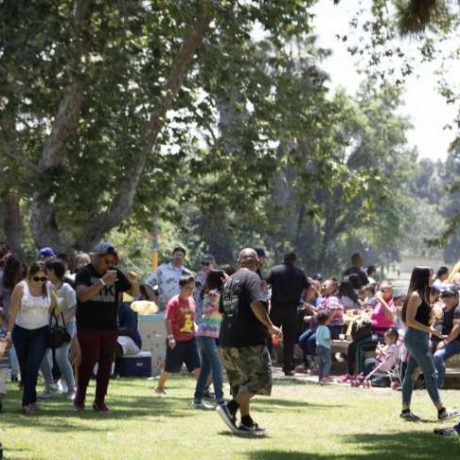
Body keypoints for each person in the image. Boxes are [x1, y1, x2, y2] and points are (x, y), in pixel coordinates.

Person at [217, 248, 282, 436]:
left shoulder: (229, 281)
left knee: (241, 383)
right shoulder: (253, 278)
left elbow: (223, 310)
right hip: (249, 340)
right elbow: (256, 304)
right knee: (261, 379)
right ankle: (230, 408)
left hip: (227, 340)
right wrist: (270, 326)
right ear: (258, 262)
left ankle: (246, 421)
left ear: (239, 261)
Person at [74, 242, 139, 412]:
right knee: (89, 359)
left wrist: (133, 282)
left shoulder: (115, 273)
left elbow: (134, 293)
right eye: (106, 261)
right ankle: (80, 397)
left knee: (106, 363)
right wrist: (102, 282)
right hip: (88, 325)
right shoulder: (84, 272)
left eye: (112, 262)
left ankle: (99, 401)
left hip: (109, 326)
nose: (109, 265)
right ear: (96, 257)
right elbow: (83, 296)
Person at [400, 266, 457, 422]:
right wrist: (431, 331)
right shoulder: (415, 296)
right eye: (431, 275)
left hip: (421, 338)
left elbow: (421, 321)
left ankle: (405, 410)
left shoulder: (423, 296)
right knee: (431, 373)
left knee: (411, 375)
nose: (433, 278)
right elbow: (410, 321)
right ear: (423, 277)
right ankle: (442, 411)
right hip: (416, 339)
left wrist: (433, 324)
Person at [5, 262, 52, 414]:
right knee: (25, 368)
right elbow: (12, 311)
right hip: (21, 331)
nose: (40, 282)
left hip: (41, 331)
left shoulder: (49, 288)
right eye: (36, 279)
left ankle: (26, 403)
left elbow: (55, 309)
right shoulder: (21, 287)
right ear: (30, 276)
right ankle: (32, 399)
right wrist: (9, 332)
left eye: (43, 279)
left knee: (33, 366)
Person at [266, 252, 310, 376]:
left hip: (276, 308)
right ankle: (288, 367)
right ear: (295, 261)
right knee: (289, 339)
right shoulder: (300, 273)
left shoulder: (275, 270)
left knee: (269, 336)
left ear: (283, 259)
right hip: (292, 310)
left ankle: (266, 364)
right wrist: (305, 301)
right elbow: (310, 287)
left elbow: (265, 284)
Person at [155, 275, 200, 394]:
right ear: (180, 287)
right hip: (176, 339)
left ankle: (202, 390)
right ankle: (159, 387)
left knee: (196, 366)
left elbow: (191, 318)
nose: (190, 291)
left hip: (190, 339)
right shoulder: (174, 302)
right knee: (170, 367)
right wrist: (171, 338)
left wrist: (196, 329)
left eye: (192, 288)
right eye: (187, 288)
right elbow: (168, 320)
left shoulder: (191, 300)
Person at [39, 258, 77, 400]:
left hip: (66, 326)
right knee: (41, 355)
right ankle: (50, 386)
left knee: (60, 356)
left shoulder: (67, 289)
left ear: (54, 271)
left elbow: (74, 308)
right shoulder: (46, 286)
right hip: (49, 326)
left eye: (47, 270)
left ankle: (72, 389)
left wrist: (62, 321)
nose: (45, 273)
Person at [193, 269, 225, 408]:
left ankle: (198, 399)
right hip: (206, 334)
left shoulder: (215, 294)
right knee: (217, 365)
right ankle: (220, 399)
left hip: (207, 333)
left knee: (206, 367)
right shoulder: (213, 294)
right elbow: (213, 309)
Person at [432, 286, 460, 389]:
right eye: (443, 295)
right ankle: (421, 381)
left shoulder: (458, 310)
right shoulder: (442, 310)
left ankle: (438, 384)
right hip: (439, 340)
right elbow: (433, 323)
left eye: (448, 295)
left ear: (456, 296)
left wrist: (445, 342)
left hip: (455, 342)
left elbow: (457, 328)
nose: (445, 298)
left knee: (438, 357)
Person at [315, 312, 332, 384]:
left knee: (321, 363)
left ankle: (320, 378)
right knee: (328, 362)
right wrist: (331, 342)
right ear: (326, 320)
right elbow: (326, 338)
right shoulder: (325, 329)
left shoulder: (318, 328)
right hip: (324, 347)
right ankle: (325, 377)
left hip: (318, 347)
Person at [0, 308, 10, 412]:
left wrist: (7, 342)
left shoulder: (4, 333)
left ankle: (0, 402)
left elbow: (8, 345)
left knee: (1, 382)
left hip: (4, 364)